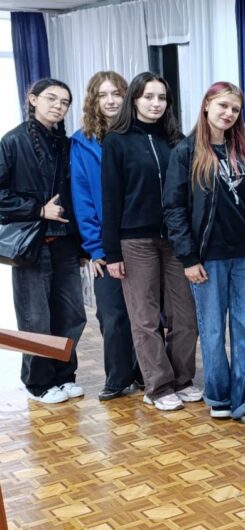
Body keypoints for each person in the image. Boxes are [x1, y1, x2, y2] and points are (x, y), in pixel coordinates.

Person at [162, 82, 245, 429]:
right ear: (206, 106)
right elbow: (173, 209)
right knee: (212, 331)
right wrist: (188, 258)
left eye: (235, 109)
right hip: (207, 258)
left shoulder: (243, 149)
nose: (229, 113)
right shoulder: (185, 152)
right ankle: (219, 397)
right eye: (223, 106)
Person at [101, 72, 200, 412]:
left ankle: (182, 379)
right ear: (135, 100)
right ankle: (157, 386)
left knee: (185, 316)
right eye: (148, 97)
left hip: (175, 240)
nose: (156, 104)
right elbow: (111, 198)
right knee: (144, 318)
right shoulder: (116, 140)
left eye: (162, 98)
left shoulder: (176, 140)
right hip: (135, 240)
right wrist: (111, 252)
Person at [0, 78, 86, 404]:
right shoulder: (13, 141)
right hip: (31, 245)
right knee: (35, 319)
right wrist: (37, 209)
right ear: (33, 99)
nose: (58, 106)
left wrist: (82, 245)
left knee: (71, 315)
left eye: (64, 102)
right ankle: (38, 384)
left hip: (65, 244)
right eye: (51, 98)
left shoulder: (65, 144)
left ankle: (63, 376)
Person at [71, 70, 143, 401]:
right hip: (104, 244)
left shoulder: (139, 134)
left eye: (117, 93)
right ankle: (118, 376)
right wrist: (96, 249)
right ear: (94, 101)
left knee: (147, 312)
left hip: (141, 238)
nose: (111, 100)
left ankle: (145, 370)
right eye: (103, 95)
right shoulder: (81, 143)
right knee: (111, 314)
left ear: (127, 97)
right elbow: (82, 198)